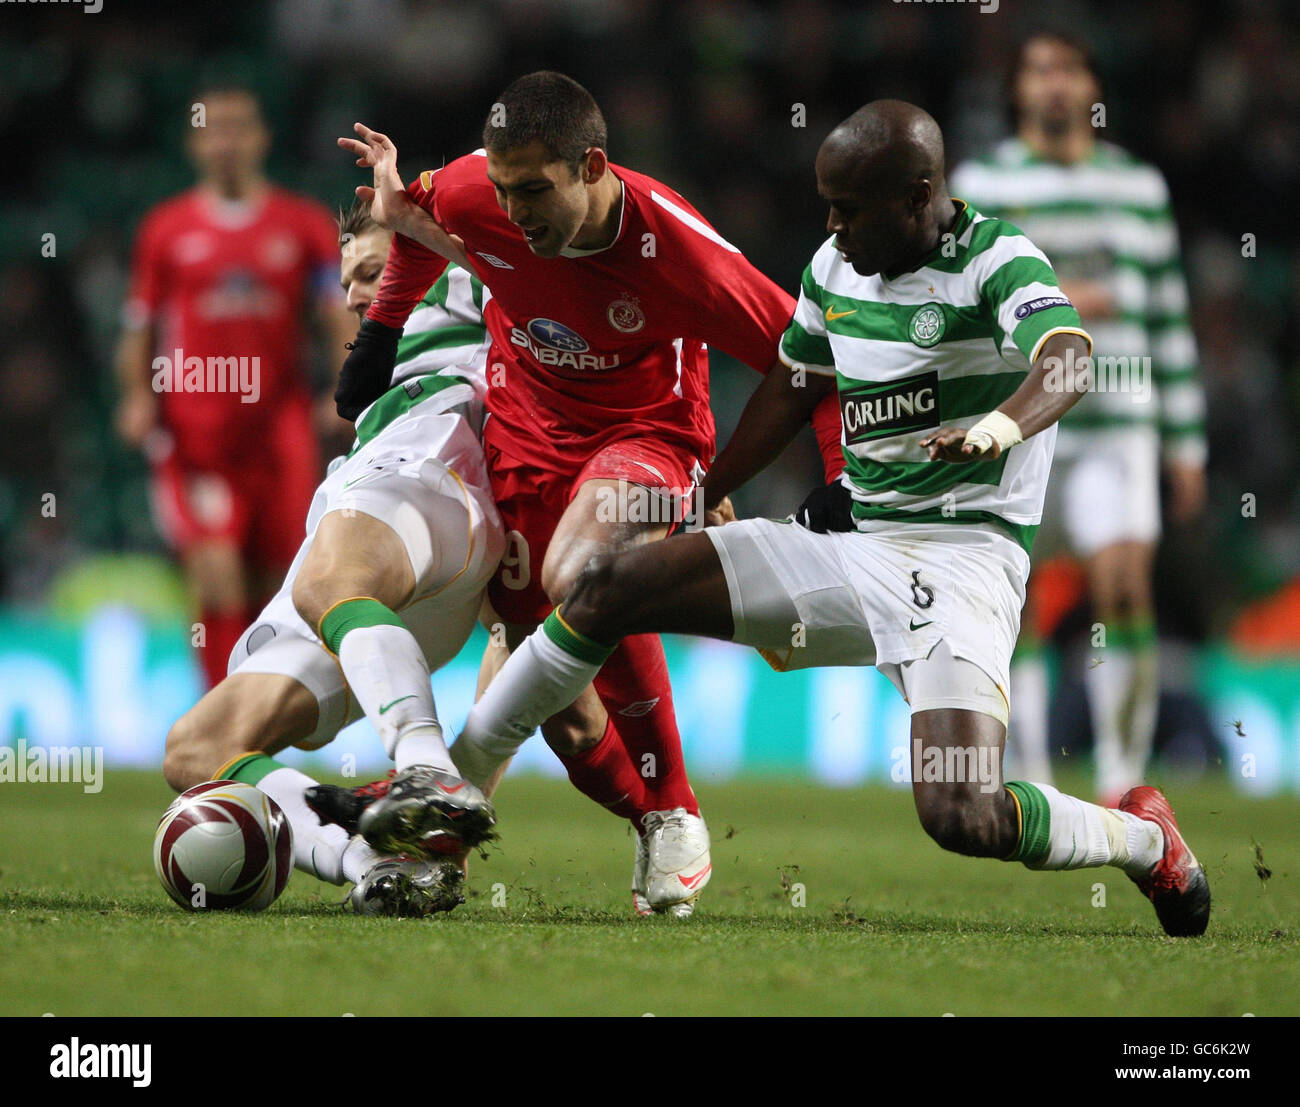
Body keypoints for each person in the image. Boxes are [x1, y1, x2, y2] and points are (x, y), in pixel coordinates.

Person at [443, 101, 1211, 939]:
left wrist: (1001, 426)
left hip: (961, 565)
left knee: (961, 810)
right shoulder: (836, 270)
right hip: (851, 550)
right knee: (604, 586)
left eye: (851, 208)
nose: (833, 227)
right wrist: (711, 484)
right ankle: (454, 782)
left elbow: (1068, 354)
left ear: (919, 195)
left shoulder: (998, 259)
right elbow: (791, 384)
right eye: (827, 204)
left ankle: (1142, 837)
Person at [336, 71, 843, 916]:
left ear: (593, 166)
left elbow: (808, 359)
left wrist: (839, 481)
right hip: (525, 436)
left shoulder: (678, 248)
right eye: (504, 191)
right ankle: (653, 816)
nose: (515, 212)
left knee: (582, 568)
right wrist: (380, 331)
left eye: (535, 191)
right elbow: (418, 221)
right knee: (564, 706)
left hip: (649, 437)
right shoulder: (478, 192)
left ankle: (667, 804)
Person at [163, 197, 503, 917]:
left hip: (434, 477)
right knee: (198, 747)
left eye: (373, 271)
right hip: (364, 509)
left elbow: (516, 256)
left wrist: (409, 198)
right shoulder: (372, 376)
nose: (351, 295)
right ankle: (371, 864)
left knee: (327, 579)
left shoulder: (474, 282)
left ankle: (423, 767)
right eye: (347, 279)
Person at [949, 32, 1206, 801]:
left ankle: (1122, 772)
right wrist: (1058, 298)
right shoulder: (983, 180)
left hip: (1120, 418)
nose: (1055, 86)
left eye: (1069, 69)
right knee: (1016, 598)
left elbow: (1167, 317)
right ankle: (1028, 767)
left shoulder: (1139, 187)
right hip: (1024, 420)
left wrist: (1186, 443)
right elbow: (966, 302)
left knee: (1123, 583)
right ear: (1019, 91)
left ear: (1091, 82)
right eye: (1038, 72)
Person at [116, 85, 357, 691]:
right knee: (216, 574)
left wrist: (344, 386)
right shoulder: (165, 230)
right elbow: (139, 326)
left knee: (276, 582)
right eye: (212, 129)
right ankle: (219, 717)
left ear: (261, 138)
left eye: (238, 128)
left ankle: (257, 712)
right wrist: (137, 396)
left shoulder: (301, 225)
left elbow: (336, 312)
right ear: (194, 143)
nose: (226, 141)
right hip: (196, 430)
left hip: (278, 429)